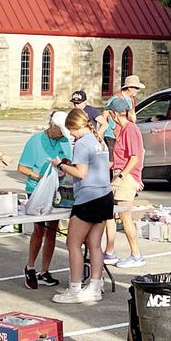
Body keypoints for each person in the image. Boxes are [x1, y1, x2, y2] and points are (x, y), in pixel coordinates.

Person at [51, 108, 114, 305]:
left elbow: (81, 173)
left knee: (73, 244)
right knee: (94, 244)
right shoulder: (99, 140)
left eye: (71, 131)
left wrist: (60, 165)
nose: (71, 134)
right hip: (105, 195)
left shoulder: (81, 143)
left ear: (74, 127)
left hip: (88, 197)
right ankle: (95, 286)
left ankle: (75, 288)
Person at [17, 111, 72, 290]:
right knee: (39, 230)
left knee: (52, 231)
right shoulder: (35, 140)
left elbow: (68, 163)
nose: (62, 135)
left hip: (56, 189)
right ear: (52, 126)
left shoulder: (64, 141)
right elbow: (22, 167)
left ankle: (45, 270)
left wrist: (65, 170)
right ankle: (30, 266)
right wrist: (38, 176)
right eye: (60, 131)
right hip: (37, 189)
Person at [104, 105, 147, 268]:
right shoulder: (122, 129)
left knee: (125, 217)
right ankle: (110, 251)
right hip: (121, 174)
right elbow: (123, 156)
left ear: (114, 114)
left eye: (110, 113)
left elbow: (135, 157)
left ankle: (136, 255)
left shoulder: (130, 129)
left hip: (125, 177)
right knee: (111, 214)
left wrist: (124, 177)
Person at [100, 75, 145, 159]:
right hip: (112, 134)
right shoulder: (115, 99)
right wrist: (101, 134)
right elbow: (105, 115)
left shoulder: (131, 99)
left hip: (123, 132)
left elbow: (132, 115)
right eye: (136, 88)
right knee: (112, 159)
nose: (138, 91)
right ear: (129, 88)